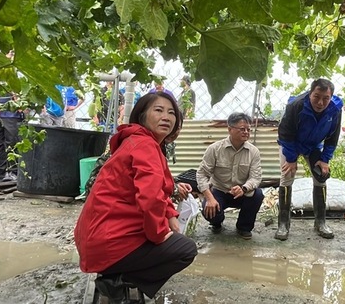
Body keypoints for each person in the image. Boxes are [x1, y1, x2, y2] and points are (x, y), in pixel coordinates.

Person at [74, 92, 197, 302]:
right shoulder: (146, 146)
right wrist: (159, 233)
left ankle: (117, 275)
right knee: (185, 249)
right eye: (158, 110)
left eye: (171, 113)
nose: (166, 117)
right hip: (106, 242)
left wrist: (170, 214)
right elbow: (150, 198)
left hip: (94, 239)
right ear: (142, 116)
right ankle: (118, 280)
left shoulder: (138, 141)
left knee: (170, 236)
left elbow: (158, 188)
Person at [275, 78, 343, 241]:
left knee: (321, 177)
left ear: (331, 97)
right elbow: (285, 133)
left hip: (313, 146)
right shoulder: (295, 106)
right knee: (287, 177)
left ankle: (320, 222)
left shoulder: (335, 109)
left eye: (325, 98)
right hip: (291, 143)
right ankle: (283, 224)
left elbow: (333, 137)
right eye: (316, 97)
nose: (320, 103)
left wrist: (325, 159)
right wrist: (291, 159)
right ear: (310, 93)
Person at [197, 112, 263, 239]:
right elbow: (201, 174)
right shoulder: (215, 149)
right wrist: (209, 198)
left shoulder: (254, 152)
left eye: (248, 129)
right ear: (229, 129)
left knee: (257, 194)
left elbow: (256, 177)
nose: (246, 132)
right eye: (242, 129)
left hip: (242, 193)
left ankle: (244, 227)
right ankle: (216, 222)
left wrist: (244, 188)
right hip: (220, 191)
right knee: (209, 209)